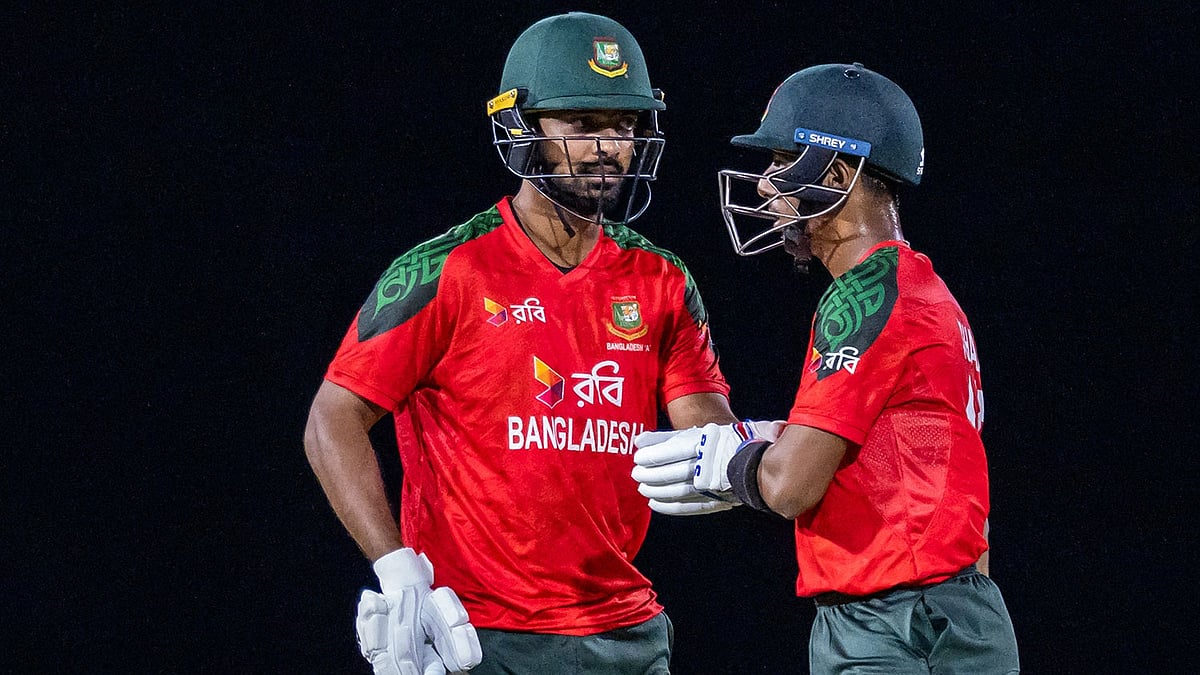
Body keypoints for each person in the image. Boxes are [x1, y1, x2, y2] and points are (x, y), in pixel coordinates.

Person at [304, 12, 739, 675]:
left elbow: (704, 431)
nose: (608, 148)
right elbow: (330, 419)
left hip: (628, 632)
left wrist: (739, 456)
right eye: (582, 126)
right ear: (523, 129)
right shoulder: (447, 268)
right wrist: (397, 569)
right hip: (482, 636)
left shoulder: (663, 278)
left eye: (622, 127)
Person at [630, 63, 1020, 673]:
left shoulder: (863, 293)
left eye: (783, 160)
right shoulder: (928, 292)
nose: (764, 187)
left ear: (835, 173)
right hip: (965, 617)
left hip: (889, 627)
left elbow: (790, 488)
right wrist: (772, 440)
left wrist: (730, 465)